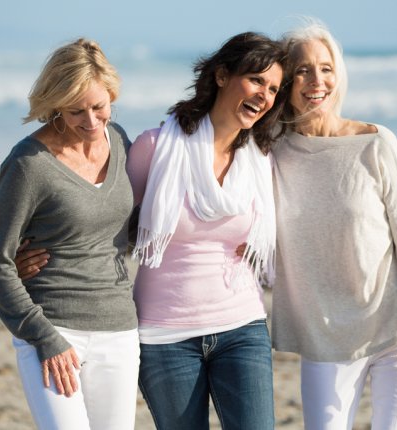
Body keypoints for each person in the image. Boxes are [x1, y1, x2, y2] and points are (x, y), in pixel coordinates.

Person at [269, 20, 397, 430]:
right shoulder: (271, 150)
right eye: (303, 70)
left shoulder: (376, 143)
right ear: (287, 82)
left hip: (396, 329)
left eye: (326, 68)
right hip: (324, 337)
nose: (317, 81)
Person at [127, 31, 285, 430]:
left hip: (242, 327)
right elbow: (103, 225)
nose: (264, 95)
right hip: (165, 336)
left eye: (272, 88)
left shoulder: (260, 161)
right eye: (255, 80)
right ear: (220, 75)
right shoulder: (154, 148)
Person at [0, 39, 139, 430]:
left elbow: (137, 227)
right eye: (75, 111)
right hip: (53, 328)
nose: (90, 121)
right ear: (55, 105)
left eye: (99, 107)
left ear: (112, 95)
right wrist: (43, 338)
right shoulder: (29, 164)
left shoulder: (119, 141)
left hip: (119, 329)